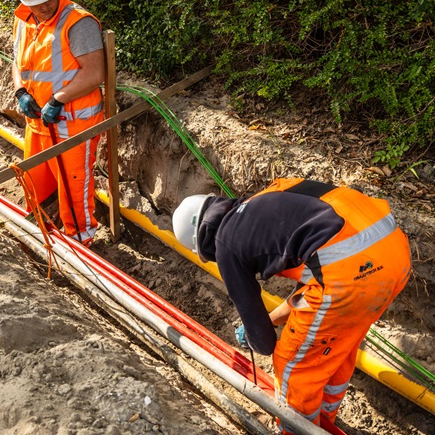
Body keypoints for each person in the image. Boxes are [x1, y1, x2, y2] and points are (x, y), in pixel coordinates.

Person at [172, 178, 411, 433]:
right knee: (333, 346)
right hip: (393, 256)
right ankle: (324, 422)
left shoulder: (225, 244)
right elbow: (318, 270)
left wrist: (253, 334)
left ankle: (296, 430)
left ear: (202, 245)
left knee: (292, 365)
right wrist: (274, 318)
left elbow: (264, 343)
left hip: (350, 277)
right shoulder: (268, 198)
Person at [9, 0, 105, 245]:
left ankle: (81, 242)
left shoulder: (78, 23)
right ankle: (44, 236)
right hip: (38, 123)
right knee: (36, 184)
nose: (44, 7)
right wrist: (20, 91)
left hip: (73, 125)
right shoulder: (24, 20)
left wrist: (58, 99)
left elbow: (94, 73)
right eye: (36, 4)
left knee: (75, 192)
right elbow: (17, 63)